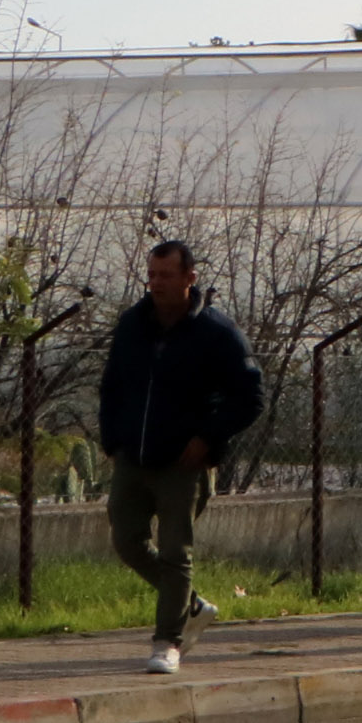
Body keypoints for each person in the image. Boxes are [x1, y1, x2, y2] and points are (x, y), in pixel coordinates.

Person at [97, 239, 264, 673]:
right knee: (126, 539)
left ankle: (167, 643)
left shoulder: (217, 333)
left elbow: (250, 397)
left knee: (176, 552)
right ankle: (190, 604)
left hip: (183, 462)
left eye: (165, 276)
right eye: (151, 275)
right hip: (133, 455)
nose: (155, 284)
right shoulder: (133, 324)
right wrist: (112, 440)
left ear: (190, 278)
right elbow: (111, 384)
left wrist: (208, 437)